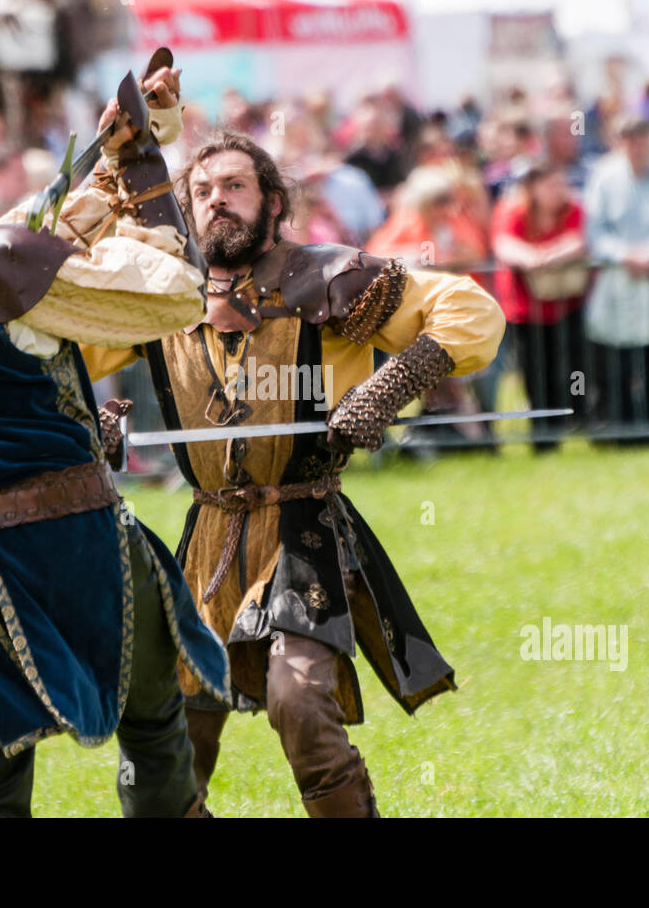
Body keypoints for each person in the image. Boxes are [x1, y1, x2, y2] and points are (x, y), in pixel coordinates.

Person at [82, 130, 505, 816]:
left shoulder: (327, 276)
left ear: (273, 201)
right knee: (167, 741)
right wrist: (81, 424)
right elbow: (53, 349)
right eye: (204, 190)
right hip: (209, 536)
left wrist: (390, 385)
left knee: (301, 697)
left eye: (236, 185)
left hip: (303, 528)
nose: (218, 199)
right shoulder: (163, 295)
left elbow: (471, 310)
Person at [0, 71, 228, 817]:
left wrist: (129, 138)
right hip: (76, 547)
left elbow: (37, 229)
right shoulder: (0, 258)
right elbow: (181, 290)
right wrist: (151, 175)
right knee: (158, 741)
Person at [582, 115, 649, 439]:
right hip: (618, 279)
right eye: (629, 138)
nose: (636, 145)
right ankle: (621, 427)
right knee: (616, 355)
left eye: (641, 137)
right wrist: (624, 255)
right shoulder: (603, 178)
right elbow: (595, 232)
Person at [491, 161, 590, 450]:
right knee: (535, 371)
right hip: (526, 310)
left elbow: (579, 240)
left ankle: (569, 423)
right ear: (533, 188)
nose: (557, 190)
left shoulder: (573, 210)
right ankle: (542, 436)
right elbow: (504, 245)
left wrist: (544, 256)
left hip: (566, 305)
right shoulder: (513, 211)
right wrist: (536, 257)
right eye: (549, 184)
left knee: (570, 369)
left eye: (560, 183)